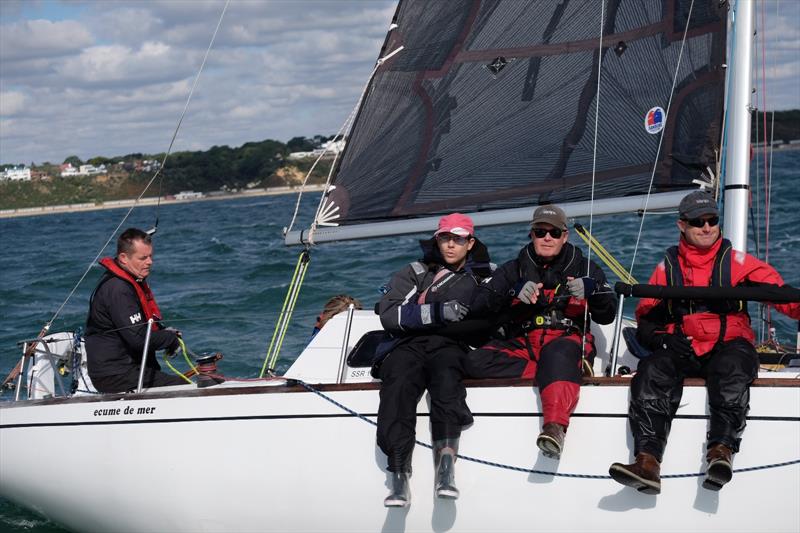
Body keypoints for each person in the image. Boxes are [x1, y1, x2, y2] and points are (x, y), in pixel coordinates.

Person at [608, 191, 800, 494]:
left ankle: (721, 453)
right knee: (653, 369)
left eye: (713, 220)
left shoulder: (739, 264)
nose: (707, 227)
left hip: (730, 344)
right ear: (682, 225)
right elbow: (646, 319)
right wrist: (664, 339)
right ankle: (647, 462)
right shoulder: (666, 269)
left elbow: (785, 298)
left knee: (732, 367)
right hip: (684, 347)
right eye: (699, 222)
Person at [464, 205, 616, 460]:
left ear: (565, 236)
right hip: (525, 342)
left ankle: (554, 428)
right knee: (472, 361)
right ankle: (562, 374)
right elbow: (479, 305)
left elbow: (608, 313)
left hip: (567, 340)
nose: (547, 238)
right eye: (540, 232)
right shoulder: (512, 269)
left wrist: (592, 289)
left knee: (556, 356)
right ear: (531, 235)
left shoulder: (586, 268)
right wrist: (513, 291)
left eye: (554, 233)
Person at [375, 213, 492, 507]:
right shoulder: (415, 272)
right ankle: (399, 473)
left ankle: (446, 467)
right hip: (410, 343)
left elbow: (498, 313)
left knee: (446, 378)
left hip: (452, 344)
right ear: (437, 240)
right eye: (445, 238)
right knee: (397, 382)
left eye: (458, 239)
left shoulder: (487, 275)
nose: (451, 245)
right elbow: (390, 314)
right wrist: (439, 312)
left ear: (470, 242)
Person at [85, 228, 187, 393]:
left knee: (181, 381)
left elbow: (138, 329)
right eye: (143, 258)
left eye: (150, 256)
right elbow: (138, 339)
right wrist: (169, 339)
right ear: (124, 258)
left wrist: (164, 332)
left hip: (129, 368)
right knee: (184, 388)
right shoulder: (118, 289)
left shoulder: (129, 281)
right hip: (115, 374)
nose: (150, 262)